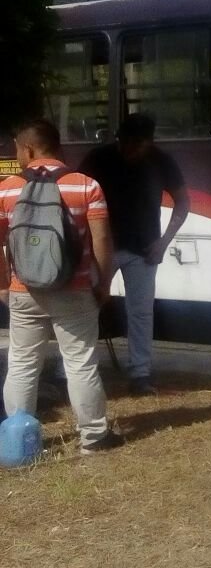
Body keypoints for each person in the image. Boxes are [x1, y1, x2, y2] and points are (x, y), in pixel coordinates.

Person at [0, 120, 123, 453]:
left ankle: (19, 440)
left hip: (23, 291)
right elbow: (101, 240)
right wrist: (102, 282)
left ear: (27, 149)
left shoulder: (6, 189)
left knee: (23, 364)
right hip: (75, 290)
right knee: (80, 363)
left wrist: (3, 286)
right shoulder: (86, 186)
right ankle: (94, 438)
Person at [80, 113, 190, 395]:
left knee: (140, 312)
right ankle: (77, 371)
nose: (129, 149)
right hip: (101, 247)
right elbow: (77, 200)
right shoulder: (98, 158)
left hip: (144, 248)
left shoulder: (161, 160)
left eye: (136, 145)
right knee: (84, 309)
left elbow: (182, 202)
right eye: (124, 142)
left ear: (148, 143)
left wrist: (164, 242)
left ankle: (140, 374)